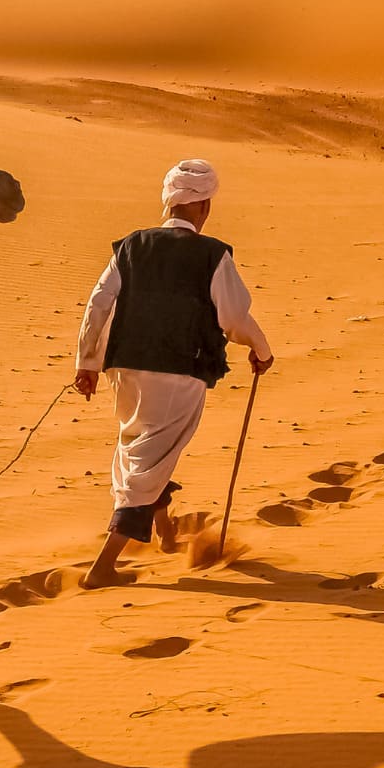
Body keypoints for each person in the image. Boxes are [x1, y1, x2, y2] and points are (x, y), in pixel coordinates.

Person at [74, 158, 275, 586]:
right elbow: (235, 315)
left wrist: (87, 364)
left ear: (168, 201)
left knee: (141, 446)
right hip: (179, 371)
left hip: (124, 369)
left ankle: (165, 535)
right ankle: (104, 566)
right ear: (203, 206)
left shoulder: (130, 246)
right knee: (151, 457)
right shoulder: (211, 254)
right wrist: (261, 349)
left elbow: (98, 306)